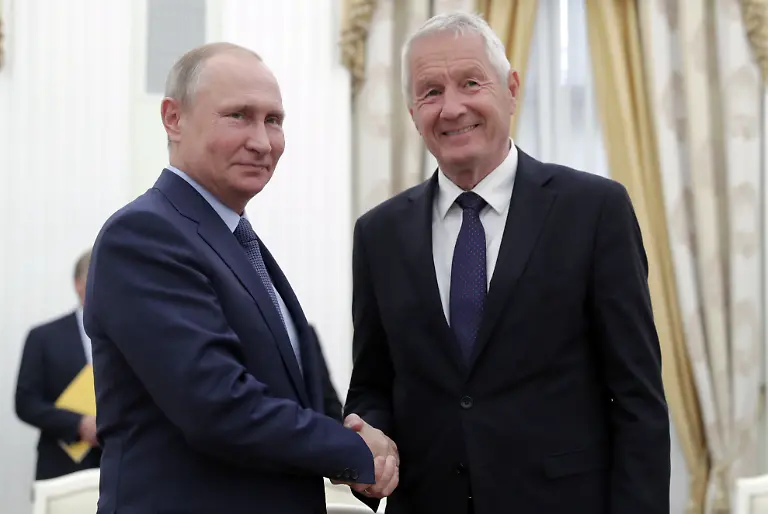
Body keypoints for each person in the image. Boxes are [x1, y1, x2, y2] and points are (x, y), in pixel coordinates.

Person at [343, 12, 670, 514]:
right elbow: (372, 384)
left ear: (511, 89)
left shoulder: (593, 210)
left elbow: (637, 397)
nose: (452, 107)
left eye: (471, 83)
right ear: (412, 112)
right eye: (431, 92)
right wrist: (368, 448)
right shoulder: (378, 234)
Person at [84, 42, 397, 514]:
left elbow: (286, 394)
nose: (263, 141)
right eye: (239, 116)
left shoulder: (236, 240)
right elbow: (217, 406)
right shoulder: (143, 236)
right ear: (173, 118)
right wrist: (353, 452)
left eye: (274, 120)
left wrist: (353, 432)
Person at [15, 249, 101, 480]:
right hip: (62, 468)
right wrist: (78, 424)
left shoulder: (129, 339)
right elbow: (26, 402)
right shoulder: (44, 337)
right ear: (78, 284)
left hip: (119, 469)